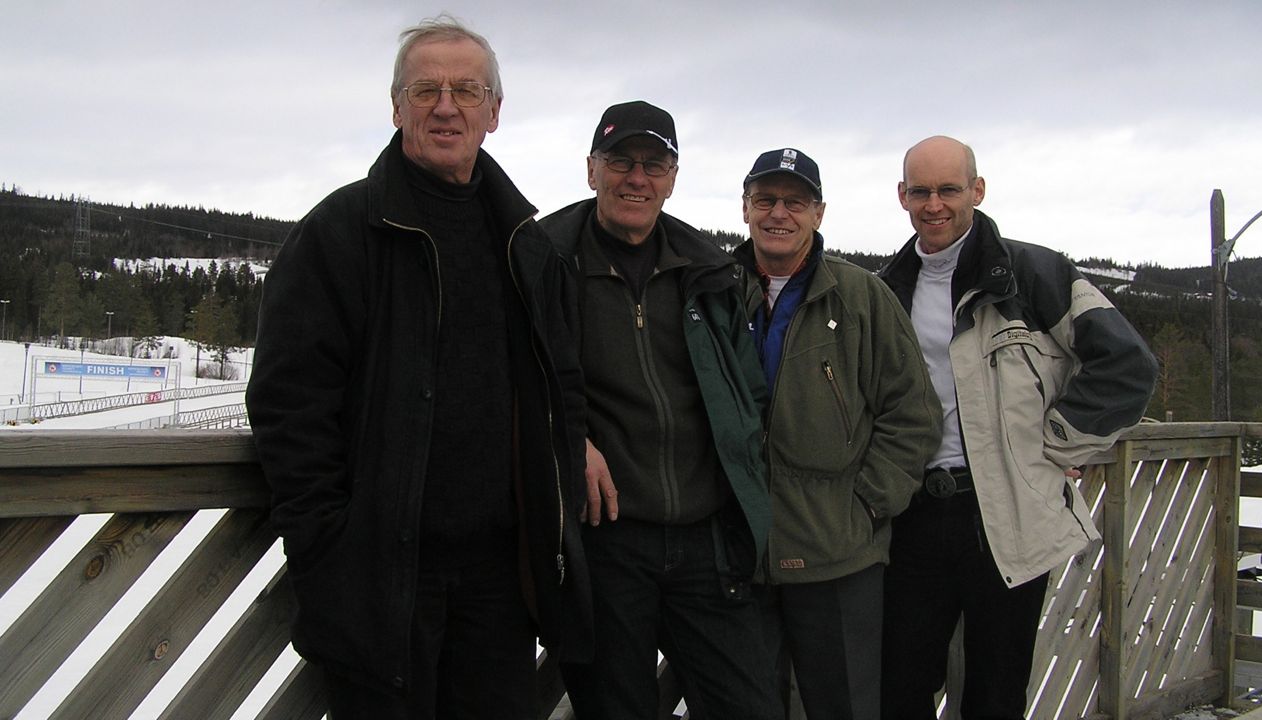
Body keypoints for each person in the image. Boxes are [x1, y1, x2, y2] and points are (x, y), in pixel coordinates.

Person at [245, 16, 590, 719]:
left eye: (467, 91)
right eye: (426, 90)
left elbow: (562, 384)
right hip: (382, 579)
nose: (445, 107)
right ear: (397, 107)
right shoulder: (342, 232)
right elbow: (288, 404)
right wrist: (326, 547)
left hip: (501, 581)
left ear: (495, 112)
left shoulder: (526, 245)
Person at [878, 135, 1157, 720]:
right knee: (898, 686)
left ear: (977, 190)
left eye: (949, 189)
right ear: (902, 196)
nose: (934, 204)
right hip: (912, 513)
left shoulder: (1034, 274)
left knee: (997, 693)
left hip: (1007, 513)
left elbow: (1127, 364)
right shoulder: (886, 289)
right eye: (921, 191)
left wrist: (1056, 443)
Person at [540, 100, 781, 720]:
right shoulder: (545, 262)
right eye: (621, 160)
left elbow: (747, 392)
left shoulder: (708, 272)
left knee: (751, 706)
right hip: (606, 542)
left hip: (705, 540)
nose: (637, 178)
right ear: (592, 169)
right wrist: (568, 440)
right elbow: (510, 381)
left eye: (654, 164)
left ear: (672, 178)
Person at [732, 148, 942, 720]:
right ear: (745, 207)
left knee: (844, 706)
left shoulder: (861, 297)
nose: (779, 213)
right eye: (765, 200)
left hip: (838, 558)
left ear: (819, 212)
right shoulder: (714, 292)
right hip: (737, 555)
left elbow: (914, 413)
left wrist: (865, 506)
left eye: (795, 202)